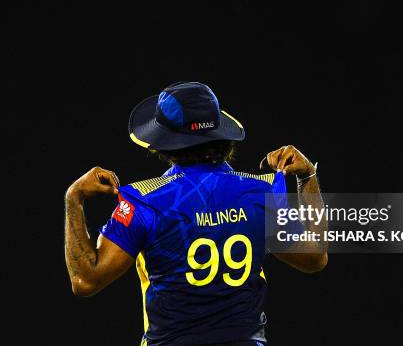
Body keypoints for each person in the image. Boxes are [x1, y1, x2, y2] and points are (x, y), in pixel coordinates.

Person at [64, 82, 327, 345]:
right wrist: (307, 177)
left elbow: (85, 281)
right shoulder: (263, 192)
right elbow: (315, 259)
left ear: (161, 143)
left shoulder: (142, 201)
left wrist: (74, 199)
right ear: (221, 133)